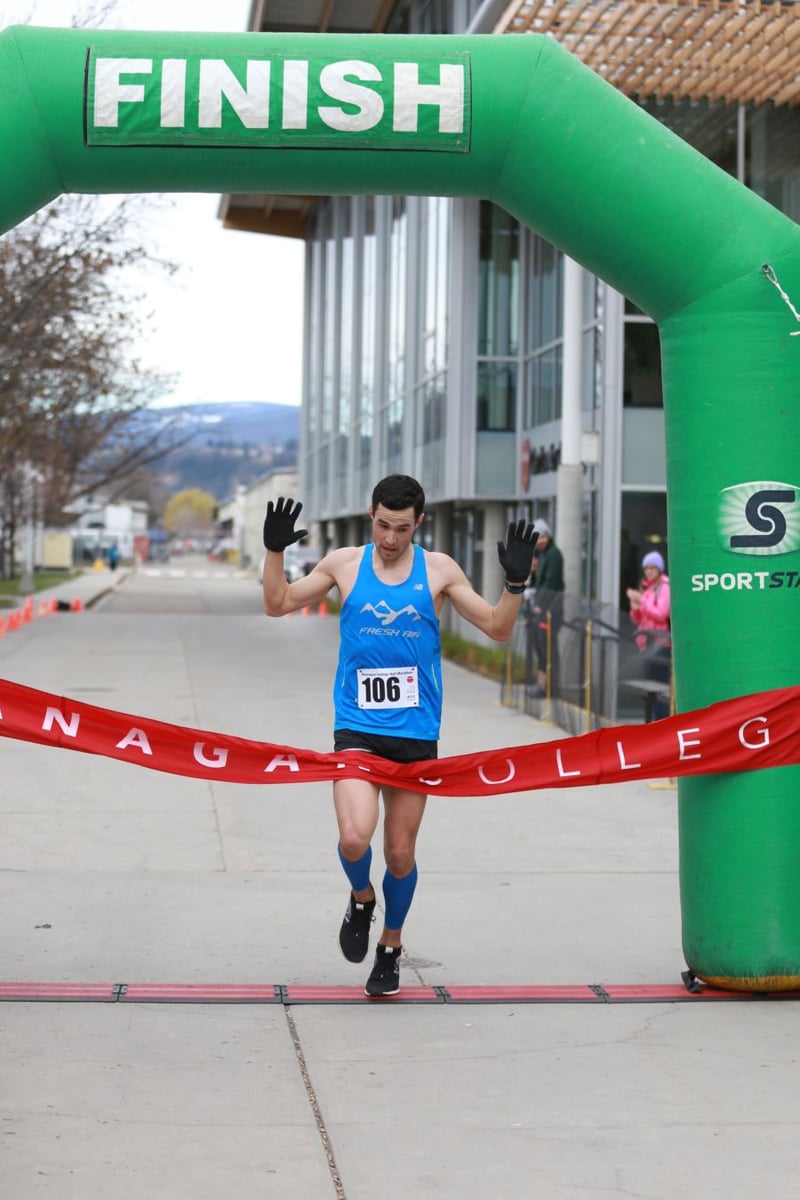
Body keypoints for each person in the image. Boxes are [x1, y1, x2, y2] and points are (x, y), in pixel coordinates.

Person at [261, 475, 537, 998]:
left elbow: (498, 628)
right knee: (352, 838)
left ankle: (390, 944)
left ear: (420, 524)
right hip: (357, 729)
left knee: (401, 854)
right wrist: (274, 550)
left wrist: (516, 585)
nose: (391, 538)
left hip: (415, 735)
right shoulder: (344, 563)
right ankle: (362, 898)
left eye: (402, 528)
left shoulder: (439, 570)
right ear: (372, 514)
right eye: (384, 525)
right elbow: (278, 604)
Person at [626, 550, 671, 719]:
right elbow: (639, 619)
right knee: (648, 690)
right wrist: (635, 607)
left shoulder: (665, 588)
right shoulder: (648, 588)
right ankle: (653, 722)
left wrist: (641, 601)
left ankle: (662, 724)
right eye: (646, 568)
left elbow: (661, 613)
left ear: (660, 569)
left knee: (660, 688)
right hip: (646, 646)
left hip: (660, 645)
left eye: (652, 568)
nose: (648, 572)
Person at [527, 518, 565, 698]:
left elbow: (550, 584)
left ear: (547, 537)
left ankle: (550, 687)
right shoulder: (543, 556)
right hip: (542, 610)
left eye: (539, 538)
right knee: (541, 648)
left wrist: (540, 606)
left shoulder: (554, 555)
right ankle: (542, 684)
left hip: (550, 612)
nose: (537, 543)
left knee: (548, 649)